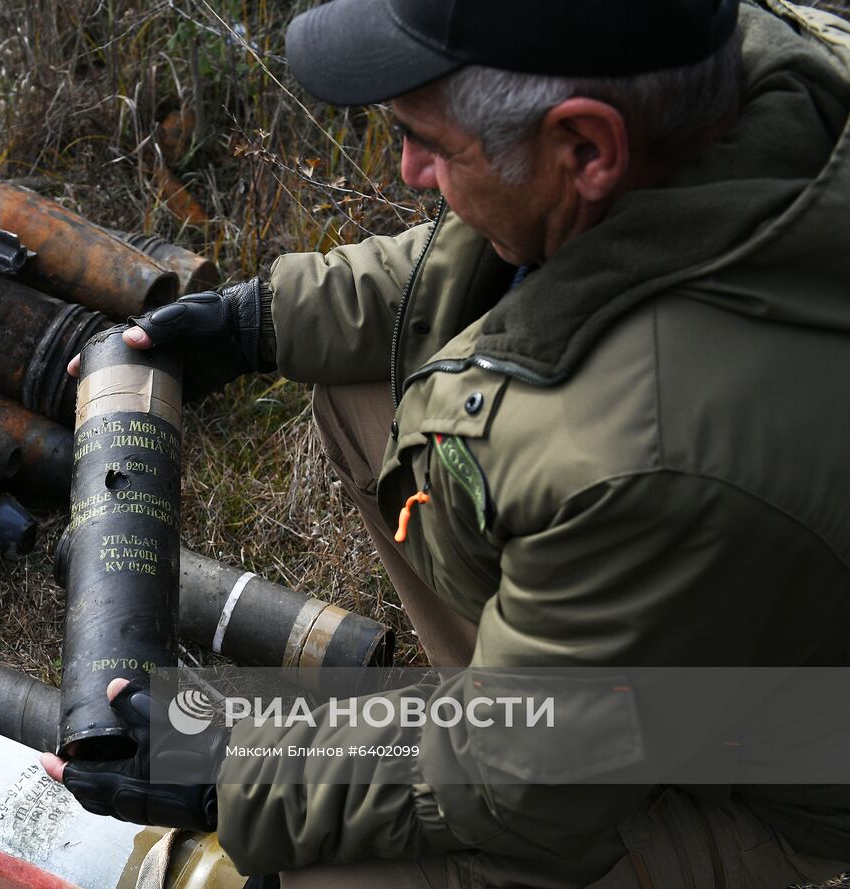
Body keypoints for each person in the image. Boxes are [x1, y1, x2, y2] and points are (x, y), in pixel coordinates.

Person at [43, 0, 850, 885]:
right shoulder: (701, 70)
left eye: (434, 143)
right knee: (362, 380)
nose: (410, 170)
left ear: (586, 148)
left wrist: (229, 762)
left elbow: (521, 780)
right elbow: (482, 256)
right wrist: (259, 322)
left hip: (770, 769)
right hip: (663, 642)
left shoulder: (664, 454)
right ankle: (526, 674)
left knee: (338, 871)